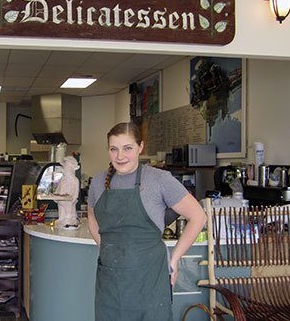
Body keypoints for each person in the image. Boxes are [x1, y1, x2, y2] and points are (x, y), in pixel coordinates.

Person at [87, 122, 207, 321]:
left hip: (150, 279)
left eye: (128, 148)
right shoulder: (98, 183)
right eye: (113, 149)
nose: (120, 156)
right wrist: (106, 247)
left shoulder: (159, 180)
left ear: (140, 147)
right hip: (110, 280)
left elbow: (198, 216)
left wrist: (174, 259)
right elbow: (91, 216)